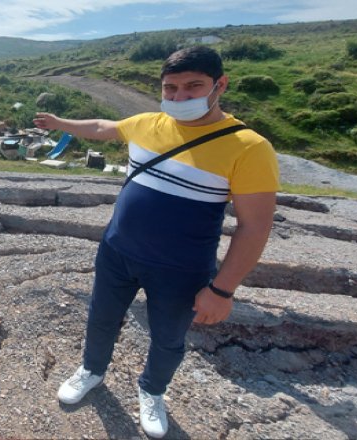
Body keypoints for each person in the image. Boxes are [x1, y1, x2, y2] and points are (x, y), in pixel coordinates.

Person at [33, 45, 279, 439]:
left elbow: (255, 227)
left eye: (193, 87)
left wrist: (222, 290)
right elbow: (102, 127)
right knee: (101, 318)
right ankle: (92, 371)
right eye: (171, 89)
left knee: (167, 339)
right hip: (117, 251)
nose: (180, 97)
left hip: (181, 269)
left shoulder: (249, 148)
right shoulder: (149, 122)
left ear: (220, 85)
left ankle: (152, 391)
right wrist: (61, 121)